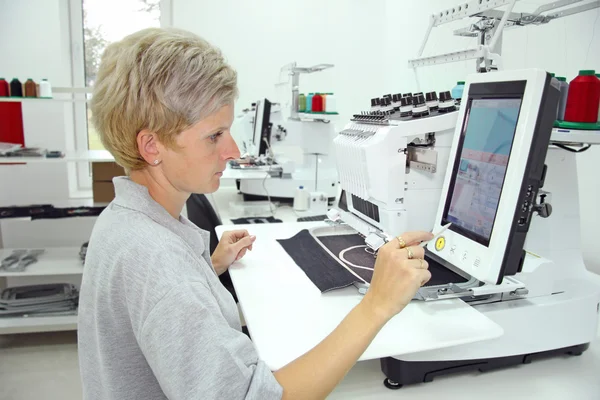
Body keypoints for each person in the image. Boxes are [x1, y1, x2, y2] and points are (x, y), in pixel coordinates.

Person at [77, 27, 433, 400]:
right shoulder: (159, 264)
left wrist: (205, 268)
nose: (232, 150)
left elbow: (155, 299)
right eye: (214, 136)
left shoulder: (124, 220)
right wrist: (377, 304)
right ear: (152, 146)